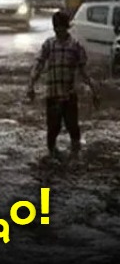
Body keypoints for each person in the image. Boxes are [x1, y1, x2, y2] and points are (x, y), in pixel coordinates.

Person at [27, 10, 99, 156]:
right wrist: (31, 85)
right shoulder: (49, 45)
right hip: (52, 95)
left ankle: (75, 156)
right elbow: (39, 65)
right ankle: (51, 155)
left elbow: (84, 72)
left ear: (66, 27)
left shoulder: (75, 46)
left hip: (69, 95)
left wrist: (94, 92)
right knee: (52, 129)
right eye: (56, 27)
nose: (58, 30)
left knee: (73, 128)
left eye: (61, 27)